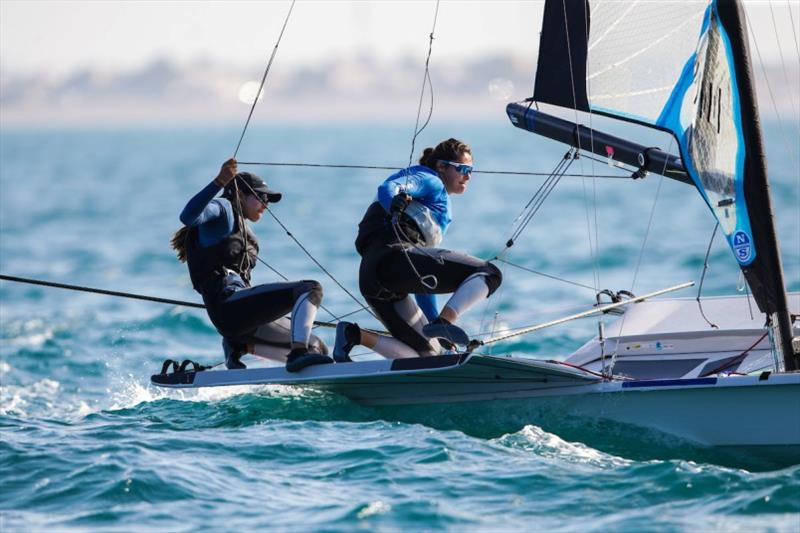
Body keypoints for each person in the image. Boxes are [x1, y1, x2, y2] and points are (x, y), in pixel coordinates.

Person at [333, 138, 502, 361]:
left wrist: (437, 327)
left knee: (429, 354)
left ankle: (353, 335)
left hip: (373, 277)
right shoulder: (430, 179)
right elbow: (389, 187)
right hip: (394, 258)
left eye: (471, 170)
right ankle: (446, 320)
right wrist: (395, 202)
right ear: (441, 166)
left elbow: (423, 286)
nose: (468, 176)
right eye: (462, 169)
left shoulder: (434, 198)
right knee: (490, 274)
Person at [171, 158, 333, 372]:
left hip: (240, 318)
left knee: (318, 349)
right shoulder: (224, 208)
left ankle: (239, 346)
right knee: (310, 289)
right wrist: (219, 181)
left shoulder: (241, 227)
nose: (266, 204)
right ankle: (297, 354)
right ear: (239, 194)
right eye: (261, 197)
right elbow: (188, 216)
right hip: (227, 305)